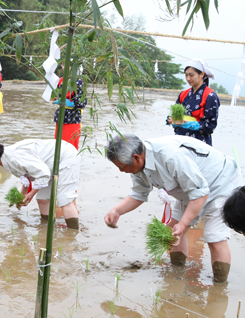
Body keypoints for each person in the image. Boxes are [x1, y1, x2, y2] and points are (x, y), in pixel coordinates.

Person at [104, 134, 242, 282]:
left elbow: (200, 194)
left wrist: (183, 224)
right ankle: (177, 275)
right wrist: (117, 211)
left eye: (121, 167)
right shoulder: (138, 165)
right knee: (171, 233)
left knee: (215, 237)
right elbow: (139, 193)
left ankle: (219, 287)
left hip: (220, 183)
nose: (120, 171)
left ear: (136, 158)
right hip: (191, 189)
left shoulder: (171, 156)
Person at [0, 139, 80, 229]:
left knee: (64, 199)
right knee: (42, 199)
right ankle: (47, 228)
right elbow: (27, 176)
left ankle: (73, 234)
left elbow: (43, 174)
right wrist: (21, 196)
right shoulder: (6, 159)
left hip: (64, 157)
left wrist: (31, 194)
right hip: (48, 166)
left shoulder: (14, 157)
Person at [166, 58, 219, 146]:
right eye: (186, 75)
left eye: (191, 75)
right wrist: (172, 121)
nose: (188, 78)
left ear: (202, 74)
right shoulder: (183, 94)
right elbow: (176, 116)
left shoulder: (210, 96)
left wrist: (189, 124)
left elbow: (210, 125)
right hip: (180, 141)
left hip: (199, 144)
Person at [52, 65, 87, 150]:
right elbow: (54, 96)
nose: (64, 67)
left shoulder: (78, 81)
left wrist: (67, 102)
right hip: (60, 118)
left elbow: (81, 102)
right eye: (63, 65)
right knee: (57, 148)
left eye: (68, 65)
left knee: (69, 150)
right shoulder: (61, 80)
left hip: (71, 119)